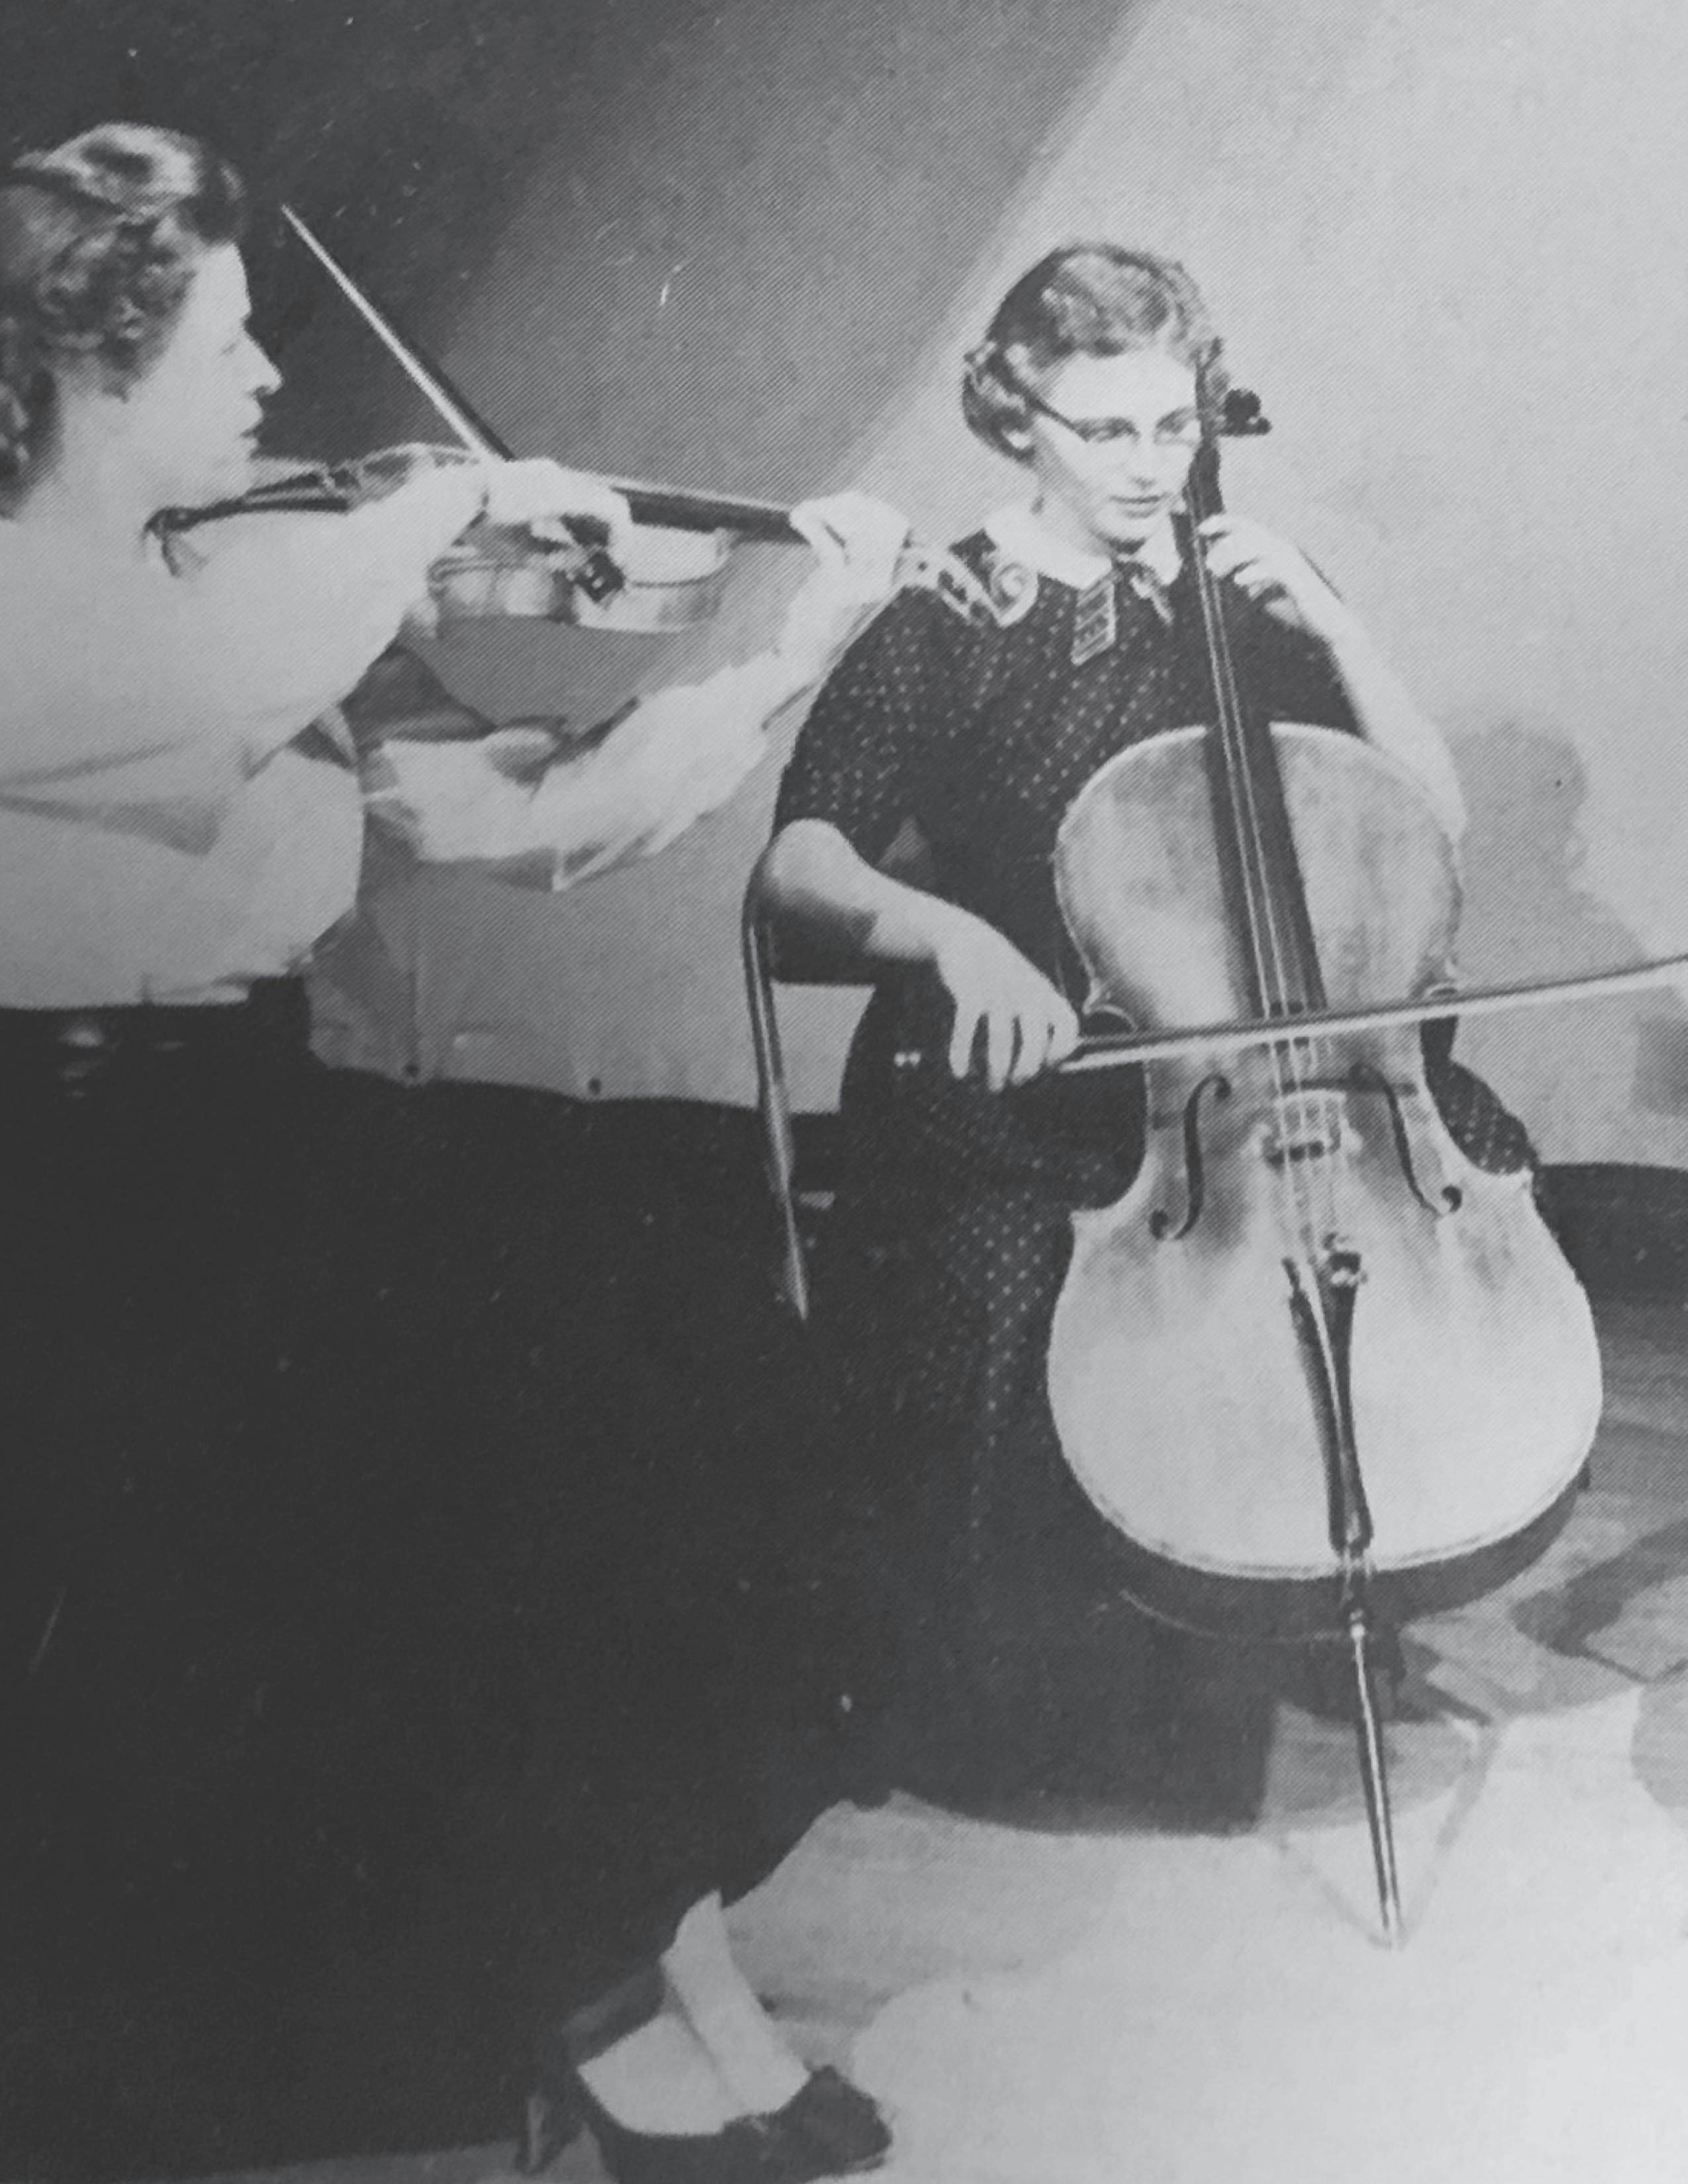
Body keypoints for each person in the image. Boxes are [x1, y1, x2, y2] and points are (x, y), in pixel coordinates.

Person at [0, 122, 905, 2181]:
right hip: (61, 1182)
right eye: (224, 345)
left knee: (671, 1385)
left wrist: (793, 649)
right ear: (87, 360)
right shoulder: (83, 614)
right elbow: (172, 701)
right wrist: (432, 515)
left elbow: (527, 818)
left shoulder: (249, 587)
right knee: (487, 1497)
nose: (268, 386)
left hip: (254, 1127)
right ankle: (614, 2029)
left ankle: (671, 2000)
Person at [759, 243, 1538, 1768]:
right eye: (1105, 429)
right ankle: (1015, 1668)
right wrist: (942, 936)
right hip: (1037, 1071)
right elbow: (799, 862)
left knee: (1480, 1150)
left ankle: (1317, 1568)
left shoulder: (1243, 594)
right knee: (1006, 1264)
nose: (1148, 465)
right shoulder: (951, 612)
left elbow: (1424, 826)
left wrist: (1338, 630)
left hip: (1244, 1067)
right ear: (1016, 417)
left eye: (1175, 426)